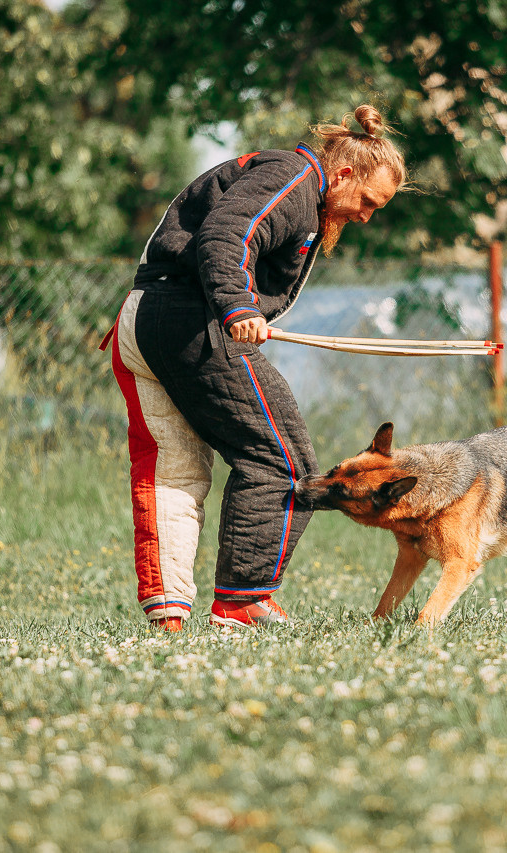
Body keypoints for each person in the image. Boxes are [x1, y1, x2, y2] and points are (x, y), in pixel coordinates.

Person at [103, 105, 407, 630]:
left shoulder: (295, 186)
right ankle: (243, 601)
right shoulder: (294, 177)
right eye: (367, 201)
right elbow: (225, 235)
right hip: (188, 319)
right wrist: (238, 307)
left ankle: (169, 615)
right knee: (284, 462)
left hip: (144, 316)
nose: (365, 216)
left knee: (171, 472)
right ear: (343, 174)